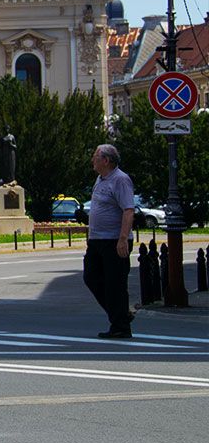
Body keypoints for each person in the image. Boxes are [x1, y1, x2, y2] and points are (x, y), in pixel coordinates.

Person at [83, 144, 135, 339]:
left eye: (95, 157)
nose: (92, 160)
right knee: (91, 277)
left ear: (105, 160)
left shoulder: (120, 180)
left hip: (114, 241)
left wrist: (123, 239)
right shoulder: (100, 179)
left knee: (115, 284)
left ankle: (121, 326)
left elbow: (128, 210)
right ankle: (120, 313)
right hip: (97, 240)